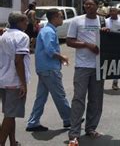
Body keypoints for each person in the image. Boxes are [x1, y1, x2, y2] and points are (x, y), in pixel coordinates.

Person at [66, 0, 105, 145]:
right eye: (86, 4)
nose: (88, 6)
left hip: (98, 66)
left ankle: (91, 128)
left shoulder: (102, 21)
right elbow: (69, 41)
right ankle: (74, 133)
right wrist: (87, 45)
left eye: (91, 4)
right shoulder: (77, 21)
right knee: (78, 99)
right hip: (82, 66)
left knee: (96, 99)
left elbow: (109, 38)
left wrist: (106, 32)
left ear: (97, 6)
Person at [26, 9, 71, 132]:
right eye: (61, 17)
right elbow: (50, 50)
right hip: (49, 69)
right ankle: (70, 118)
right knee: (59, 95)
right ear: (55, 17)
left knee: (41, 97)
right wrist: (63, 57)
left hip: (45, 68)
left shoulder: (47, 30)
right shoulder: (49, 31)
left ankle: (33, 122)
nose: (62, 19)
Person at [0, 12, 30, 146]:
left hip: (3, 79)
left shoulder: (4, 35)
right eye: (25, 21)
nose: (27, 23)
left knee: (9, 114)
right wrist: (23, 83)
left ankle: (13, 142)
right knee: (10, 115)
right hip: (14, 81)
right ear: (19, 22)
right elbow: (19, 61)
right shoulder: (22, 36)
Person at [105, 7, 120, 90]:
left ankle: (115, 82)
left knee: (117, 64)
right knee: (106, 64)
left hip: (118, 45)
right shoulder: (106, 21)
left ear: (117, 12)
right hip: (107, 45)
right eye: (110, 11)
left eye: (113, 11)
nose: (112, 12)